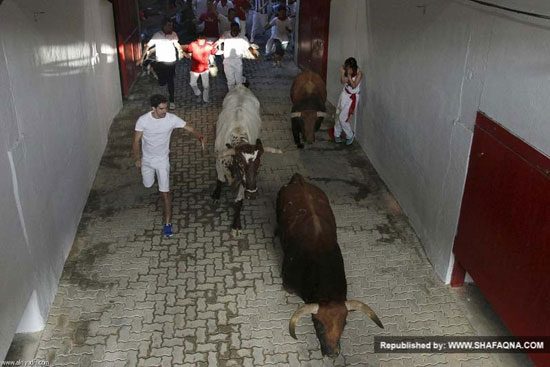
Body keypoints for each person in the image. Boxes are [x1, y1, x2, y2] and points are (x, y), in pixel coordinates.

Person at [133, 94, 206, 238]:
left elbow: (189, 128)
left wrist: (200, 137)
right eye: (161, 109)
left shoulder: (171, 119)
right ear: (153, 108)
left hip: (162, 160)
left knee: (164, 192)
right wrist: (137, 158)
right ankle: (154, 182)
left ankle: (168, 224)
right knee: (147, 184)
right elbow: (135, 141)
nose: (164, 111)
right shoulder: (143, 121)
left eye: (165, 108)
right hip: (147, 160)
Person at [137, 18, 182, 110]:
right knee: (162, 82)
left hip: (171, 61)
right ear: (164, 26)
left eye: (171, 25)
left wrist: (181, 51)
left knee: (170, 81)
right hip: (160, 61)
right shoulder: (156, 36)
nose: (171, 27)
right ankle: (151, 65)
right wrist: (141, 58)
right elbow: (148, 46)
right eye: (169, 25)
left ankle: (172, 100)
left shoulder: (173, 34)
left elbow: (177, 44)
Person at [216, 21, 259, 90]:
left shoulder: (243, 38)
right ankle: (231, 95)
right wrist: (211, 47)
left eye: (237, 30)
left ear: (239, 30)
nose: (235, 32)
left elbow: (250, 48)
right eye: (234, 30)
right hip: (227, 62)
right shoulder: (225, 35)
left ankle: (240, 93)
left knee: (238, 82)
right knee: (231, 82)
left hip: (238, 62)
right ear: (231, 29)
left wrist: (256, 56)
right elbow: (218, 42)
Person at [182, 33, 218, 103]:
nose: (202, 40)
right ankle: (198, 93)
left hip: (205, 69)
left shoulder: (209, 46)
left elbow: (214, 52)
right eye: (200, 38)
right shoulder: (193, 44)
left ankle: (205, 99)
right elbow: (188, 50)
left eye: (203, 38)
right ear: (198, 38)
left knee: (206, 86)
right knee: (192, 83)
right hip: (194, 69)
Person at [335, 57, 362, 145]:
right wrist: (343, 73)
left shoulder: (359, 73)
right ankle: (337, 134)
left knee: (343, 118)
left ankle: (350, 135)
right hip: (345, 94)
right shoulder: (346, 70)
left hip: (352, 97)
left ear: (352, 67)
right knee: (338, 114)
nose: (347, 68)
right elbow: (342, 82)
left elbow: (354, 85)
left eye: (348, 67)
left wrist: (349, 76)